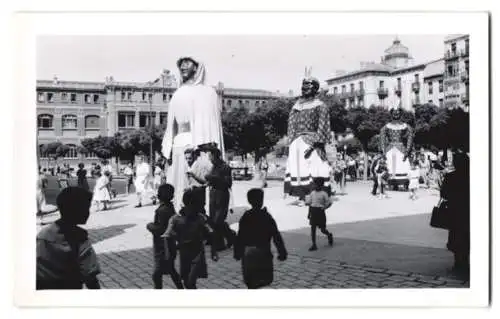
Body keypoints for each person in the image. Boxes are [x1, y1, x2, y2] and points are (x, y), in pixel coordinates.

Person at [162, 56, 225, 210]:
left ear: (197, 67)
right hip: (178, 145)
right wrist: (168, 147)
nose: (183, 66)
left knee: (198, 187)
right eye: (180, 64)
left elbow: (211, 124)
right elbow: (172, 125)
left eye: (187, 62)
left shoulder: (209, 93)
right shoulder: (178, 93)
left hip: (201, 148)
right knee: (180, 186)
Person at [36, 187, 101, 289]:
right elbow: (90, 274)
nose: (88, 213)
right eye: (86, 208)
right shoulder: (80, 238)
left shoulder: (43, 235)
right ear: (77, 211)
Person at [284, 75, 332, 205]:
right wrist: (290, 143)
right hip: (296, 142)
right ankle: (301, 196)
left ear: (315, 88)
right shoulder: (296, 106)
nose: (304, 88)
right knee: (297, 169)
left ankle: (314, 196)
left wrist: (315, 144)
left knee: (313, 169)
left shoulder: (321, 105)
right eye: (303, 85)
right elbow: (291, 125)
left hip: (312, 142)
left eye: (308, 85)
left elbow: (323, 125)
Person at [163, 189, 219, 289]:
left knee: (190, 281)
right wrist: (168, 254)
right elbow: (167, 235)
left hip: (197, 254)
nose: (191, 208)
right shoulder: (176, 219)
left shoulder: (201, 218)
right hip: (184, 254)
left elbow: (211, 232)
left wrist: (213, 251)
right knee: (187, 281)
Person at [234, 188, 288, 289]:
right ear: (262, 200)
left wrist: (237, 252)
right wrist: (282, 251)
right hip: (264, 252)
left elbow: (240, 236)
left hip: (249, 253)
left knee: (250, 281)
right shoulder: (266, 216)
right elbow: (276, 235)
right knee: (264, 280)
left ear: (249, 201)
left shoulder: (246, 216)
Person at [146, 184, 184, 289]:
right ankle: (180, 288)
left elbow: (160, 229)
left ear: (158, 196)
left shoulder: (161, 210)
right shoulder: (170, 207)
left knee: (157, 273)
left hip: (163, 246)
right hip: (169, 244)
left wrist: (150, 226)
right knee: (171, 270)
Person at [440, 152, 470, 278]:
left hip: (455, 210)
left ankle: (458, 261)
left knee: (456, 235)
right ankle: (465, 259)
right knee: (467, 235)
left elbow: (444, 193)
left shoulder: (451, 176)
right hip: (468, 210)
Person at [205, 146, 236, 251]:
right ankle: (231, 237)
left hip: (222, 195)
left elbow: (228, 183)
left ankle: (220, 244)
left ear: (215, 156)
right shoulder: (213, 167)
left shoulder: (225, 167)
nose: (209, 158)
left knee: (218, 220)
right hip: (213, 195)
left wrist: (213, 178)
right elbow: (209, 181)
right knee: (214, 221)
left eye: (210, 156)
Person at [305, 177, 334, 251]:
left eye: (317, 185)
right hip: (313, 212)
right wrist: (309, 213)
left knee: (323, 229)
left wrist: (324, 208)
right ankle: (314, 244)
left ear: (321, 186)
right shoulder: (312, 193)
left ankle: (329, 235)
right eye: (315, 185)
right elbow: (310, 204)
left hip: (320, 212)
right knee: (313, 229)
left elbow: (329, 203)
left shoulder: (324, 194)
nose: (315, 186)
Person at [185, 147, 213, 215]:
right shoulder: (187, 166)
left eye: (189, 158)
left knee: (200, 213)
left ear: (194, 156)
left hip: (199, 192)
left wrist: (194, 175)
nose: (188, 160)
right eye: (186, 158)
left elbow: (205, 181)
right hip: (191, 193)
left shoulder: (200, 165)